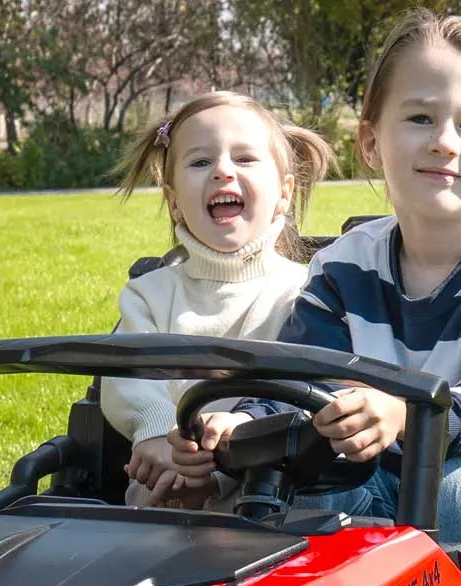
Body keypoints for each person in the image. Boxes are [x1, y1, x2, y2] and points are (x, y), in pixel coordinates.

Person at [170, 10, 461, 544]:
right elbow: (301, 375)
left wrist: (406, 415)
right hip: (359, 474)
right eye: (420, 118)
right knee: (295, 491)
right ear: (372, 143)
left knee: (459, 495)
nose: (444, 141)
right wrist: (243, 421)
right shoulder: (343, 265)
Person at [102, 92, 335, 507]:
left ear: (284, 193)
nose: (222, 171)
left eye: (245, 159)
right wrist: (155, 434)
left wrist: (229, 460)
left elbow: (304, 389)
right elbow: (125, 377)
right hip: (160, 487)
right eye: (200, 162)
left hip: (270, 498)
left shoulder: (309, 291)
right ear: (174, 202)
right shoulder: (150, 293)